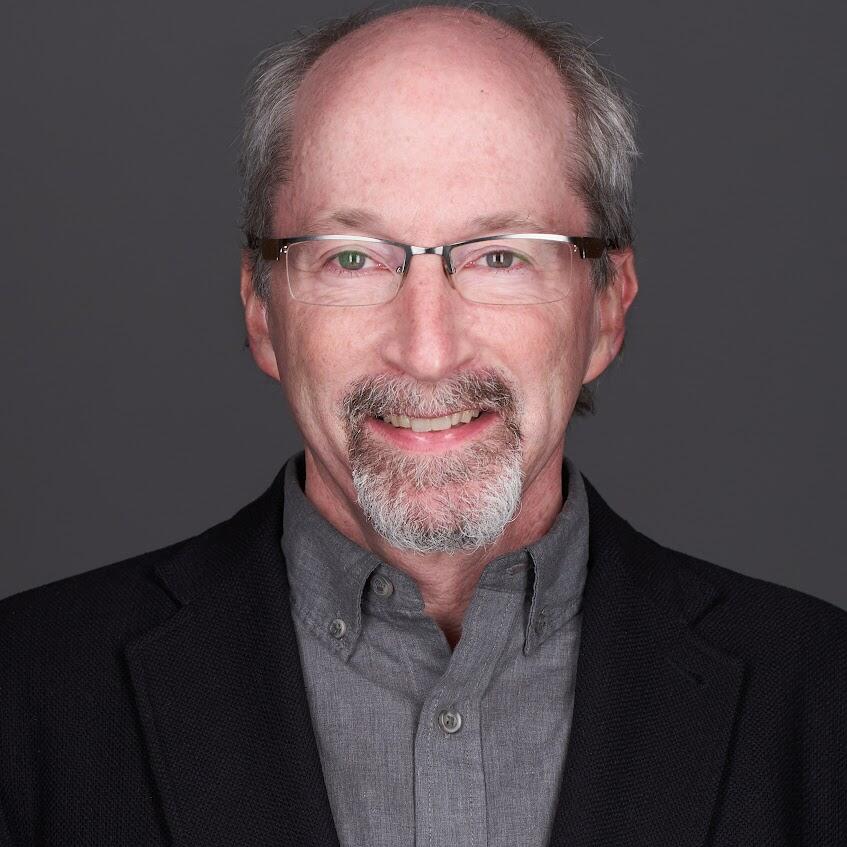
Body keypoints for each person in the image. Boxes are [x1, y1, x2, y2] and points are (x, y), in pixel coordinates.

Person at [0, 2, 844, 845]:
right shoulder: (27, 691)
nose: (427, 350)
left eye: (501, 254)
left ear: (606, 307)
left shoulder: (822, 696)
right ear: (262, 309)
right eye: (353, 258)